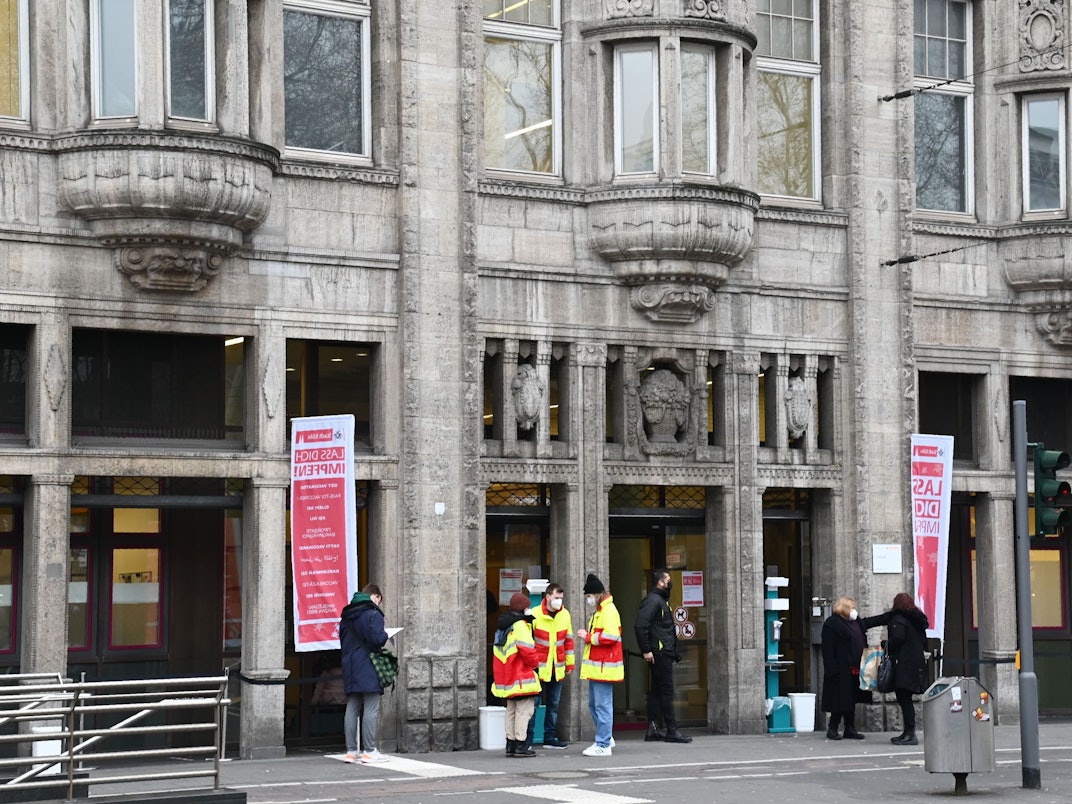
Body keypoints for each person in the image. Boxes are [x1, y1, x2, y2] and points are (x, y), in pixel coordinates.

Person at [864, 592, 929, 746]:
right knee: (905, 699)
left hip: (904, 665)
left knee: (904, 699)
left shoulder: (898, 619)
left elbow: (898, 638)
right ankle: (907, 733)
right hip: (915, 664)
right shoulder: (916, 620)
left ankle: (910, 734)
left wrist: (885, 644)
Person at [635, 568, 691, 743]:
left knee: (657, 691)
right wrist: (646, 650)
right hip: (660, 652)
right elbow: (640, 626)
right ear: (660, 582)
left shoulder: (660, 600)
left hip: (663, 651)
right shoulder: (653, 601)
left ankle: (652, 730)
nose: (670, 582)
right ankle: (672, 730)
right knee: (666, 691)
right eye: (668, 580)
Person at [339, 584, 390, 763]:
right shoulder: (373, 614)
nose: (378, 604)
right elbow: (378, 639)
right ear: (376, 596)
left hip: (350, 666)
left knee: (352, 707)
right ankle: (369, 751)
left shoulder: (346, 616)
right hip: (368, 665)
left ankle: (351, 751)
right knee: (371, 707)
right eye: (379, 600)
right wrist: (386, 635)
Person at [576, 573, 623, 757]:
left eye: (589, 596)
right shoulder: (602, 610)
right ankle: (606, 738)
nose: (588, 599)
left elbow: (611, 636)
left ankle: (603, 743)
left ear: (597, 594)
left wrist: (588, 637)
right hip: (600, 666)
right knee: (594, 705)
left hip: (604, 666)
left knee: (602, 706)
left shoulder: (608, 611)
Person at [491, 591, 543, 758]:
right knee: (524, 712)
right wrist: (536, 665)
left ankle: (511, 744)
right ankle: (521, 745)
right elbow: (528, 651)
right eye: (527, 607)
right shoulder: (520, 626)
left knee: (511, 711)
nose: (529, 609)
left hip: (508, 677)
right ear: (522, 609)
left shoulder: (503, 627)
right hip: (522, 677)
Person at [525, 582, 575, 750]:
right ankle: (528, 739)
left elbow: (568, 641)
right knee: (533, 705)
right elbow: (528, 642)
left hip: (557, 667)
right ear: (547, 597)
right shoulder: (534, 614)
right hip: (538, 668)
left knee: (553, 705)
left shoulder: (565, 615)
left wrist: (570, 664)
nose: (559, 601)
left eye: (561, 598)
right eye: (556, 597)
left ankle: (549, 737)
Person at [820, 596, 874, 740]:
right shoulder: (832, 624)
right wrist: (831, 668)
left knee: (852, 698)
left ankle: (850, 727)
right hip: (841, 667)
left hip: (856, 667)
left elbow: (871, 622)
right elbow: (828, 648)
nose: (854, 610)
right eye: (852, 607)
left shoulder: (856, 622)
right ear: (844, 608)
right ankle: (833, 727)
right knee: (840, 699)